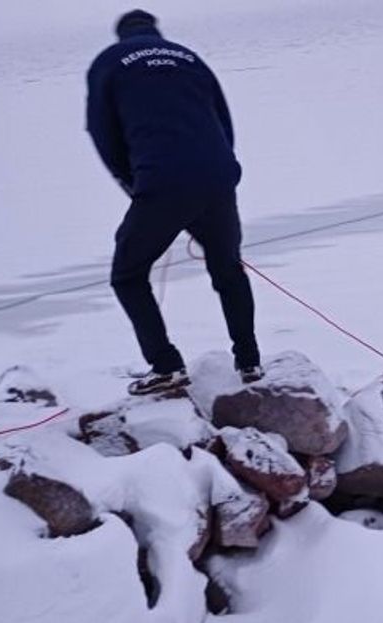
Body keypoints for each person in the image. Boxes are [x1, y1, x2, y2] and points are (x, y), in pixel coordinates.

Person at [87, 10, 261, 396]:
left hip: (163, 179)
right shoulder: (188, 56)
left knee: (127, 275)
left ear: (121, 37)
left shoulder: (108, 63)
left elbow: (103, 132)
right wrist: (217, 172)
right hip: (217, 174)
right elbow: (223, 122)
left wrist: (134, 184)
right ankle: (250, 362)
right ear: (155, 32)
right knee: (228, 270)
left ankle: (166, 366)